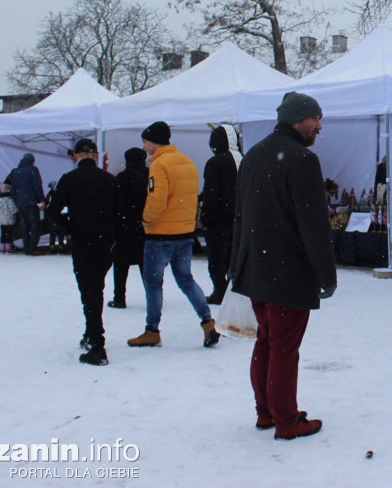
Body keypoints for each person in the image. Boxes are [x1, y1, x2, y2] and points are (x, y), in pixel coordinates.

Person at [229, 92, 336, 441]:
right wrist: (326, 274)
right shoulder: (301, 158)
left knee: (267, 341)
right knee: (284, 348)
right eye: (315, 119)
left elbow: (240, 218)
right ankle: (286, 420)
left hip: (257, 269)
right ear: (296, 120)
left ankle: (266, 411)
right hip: (287, 270)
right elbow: (314, 224)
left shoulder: (254, 155)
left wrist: (236, 265)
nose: (319, 126)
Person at [127, 121, 219, 349]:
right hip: (184, 234)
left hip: (160, 235)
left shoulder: (159, 165)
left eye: (145, 140)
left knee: (154, 284)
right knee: (186, 280)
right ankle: (208, 323)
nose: (143, 145)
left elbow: (156, 201)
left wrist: (145, 219)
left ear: (152, 141)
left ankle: (152, 330)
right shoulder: (187, 162)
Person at [46, 138, 118, 366]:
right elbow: (122, 212)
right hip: (105, 242)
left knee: (89, 290)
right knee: (96, 287)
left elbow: (52, 211)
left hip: (83, 240)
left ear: (76, 156)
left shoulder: (69, 179)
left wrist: (69, 224)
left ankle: (97, 344)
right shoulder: (109, 180)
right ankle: (92, 333)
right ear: (96, 155)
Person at [199, 124, 241, 305]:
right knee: (235, 258)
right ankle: (234, 291)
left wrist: (205, 217)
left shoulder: (215, 162)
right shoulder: (244, 159)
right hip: (240, 220)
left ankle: (220, 292)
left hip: (219, 220)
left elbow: (211, 193)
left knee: (216, 260)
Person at [108, 147, 148, 309]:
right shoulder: (150, 175)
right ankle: (153, 296)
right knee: (147, 265)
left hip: (126, 226)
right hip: (147, 225)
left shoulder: (122, 177)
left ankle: (119, 298)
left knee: (120, 263)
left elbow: (116, 202)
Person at [9, 153, 46, 255]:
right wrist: (42, 200)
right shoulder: (33, 170)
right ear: (32, 161)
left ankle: (26, 248)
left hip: (21, 203)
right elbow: (37, 185)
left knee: (24, 227)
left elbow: (13, 190)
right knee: (35, 226)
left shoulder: (16, 172)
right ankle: (32, 248)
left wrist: (17, 202)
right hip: (31, 202)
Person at [44, 181, 67, 252]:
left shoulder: (50, 195)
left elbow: (46, 205)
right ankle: (60, 246)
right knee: (60, 231)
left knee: (53, 232)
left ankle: (52, 246)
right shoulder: (61, 194)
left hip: (52, 216)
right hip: (60, 215)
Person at [0, 180, 19, 253]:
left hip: (2, 220)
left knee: (3, 234)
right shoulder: (9, 200)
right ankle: (8, 248)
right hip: (9, 219)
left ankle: (3, 248)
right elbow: (13, 210)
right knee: (9, 234)